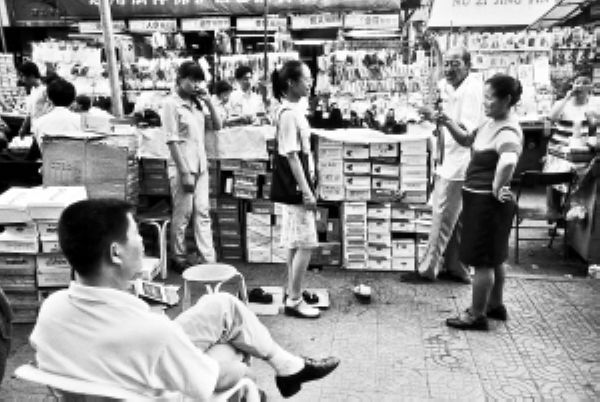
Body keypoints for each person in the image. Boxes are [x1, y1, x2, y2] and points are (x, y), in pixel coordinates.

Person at [30, 199, 340, 399]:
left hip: (116, 368)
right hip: (156, 386)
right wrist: (240, 367)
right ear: (116, 252)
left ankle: (288, 366)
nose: (143, 242)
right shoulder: (151, 331)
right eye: (136, 234)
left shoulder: (52, 309)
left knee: (222, 306)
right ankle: (279, 371)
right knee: (232, 352)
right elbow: (214, 381)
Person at [443, 74, 524, 330]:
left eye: (490, 98)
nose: (485, 103)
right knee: (495, 257)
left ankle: (476, 314)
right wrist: (447, 121)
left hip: (487, 203)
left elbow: (509, 160)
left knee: (482, 261)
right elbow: (467, 140)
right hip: (481, 200)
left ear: (507, 100)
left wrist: (497, 186)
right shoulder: (490, 123)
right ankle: (495, 305)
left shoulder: (507, 129)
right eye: (484, 97)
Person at [415, 47, 485, 283]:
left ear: (467, 65)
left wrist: (442, 119)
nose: (449, 68)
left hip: (459, 163)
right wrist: (433, 117)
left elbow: (466, 137)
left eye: (455, 63)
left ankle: (428, 268)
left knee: (443, 215)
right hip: (447, 159)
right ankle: (457, 267)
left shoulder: (472, 89)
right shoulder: (448, 86)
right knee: (456, 220)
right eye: (446, 63)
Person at [161, 61, 221, 272]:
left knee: (203, 212)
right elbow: (172, 140)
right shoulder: (171, 104)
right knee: (183, 214)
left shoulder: (197, 104)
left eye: (199, 81)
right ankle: (178, 257)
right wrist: (185, 172)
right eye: (192, 80)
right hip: (183, 167)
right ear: (180, 79)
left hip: (201, 165)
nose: (196, 85)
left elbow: (218, 125)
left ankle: (208, 258)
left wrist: (209, 102)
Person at [271, 60, 320, 319]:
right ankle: (295, 299)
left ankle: (292, 291)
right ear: (291, 82)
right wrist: (307, 191)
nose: (310, 83)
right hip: (297, 188)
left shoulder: (291, 110)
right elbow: (292, 156)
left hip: (297, 186)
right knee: (306, 243)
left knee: (294, 242)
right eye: (306, 78)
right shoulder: (289, 114)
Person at [31, 78, 81, 151]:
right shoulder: (81, 122)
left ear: (49, 99)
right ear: (73, 99)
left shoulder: (38, 123)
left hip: (47, 157)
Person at [548, 75, 598, 141]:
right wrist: (566, 98)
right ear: (573, 86)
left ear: (590, 87)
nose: (580, 86)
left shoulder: (594, 104)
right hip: (561, 143)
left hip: (584, 144)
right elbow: (551, 118)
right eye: (577, 83)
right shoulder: (562, 103)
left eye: (585, 83)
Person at [17, 62, 51, 139]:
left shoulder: (45, 90)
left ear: (31, 75)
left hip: (43, 131)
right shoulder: (33, 90)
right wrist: (23, 127)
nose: (21, 79)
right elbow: (30, 112)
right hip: (35, 129)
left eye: (22, 76)